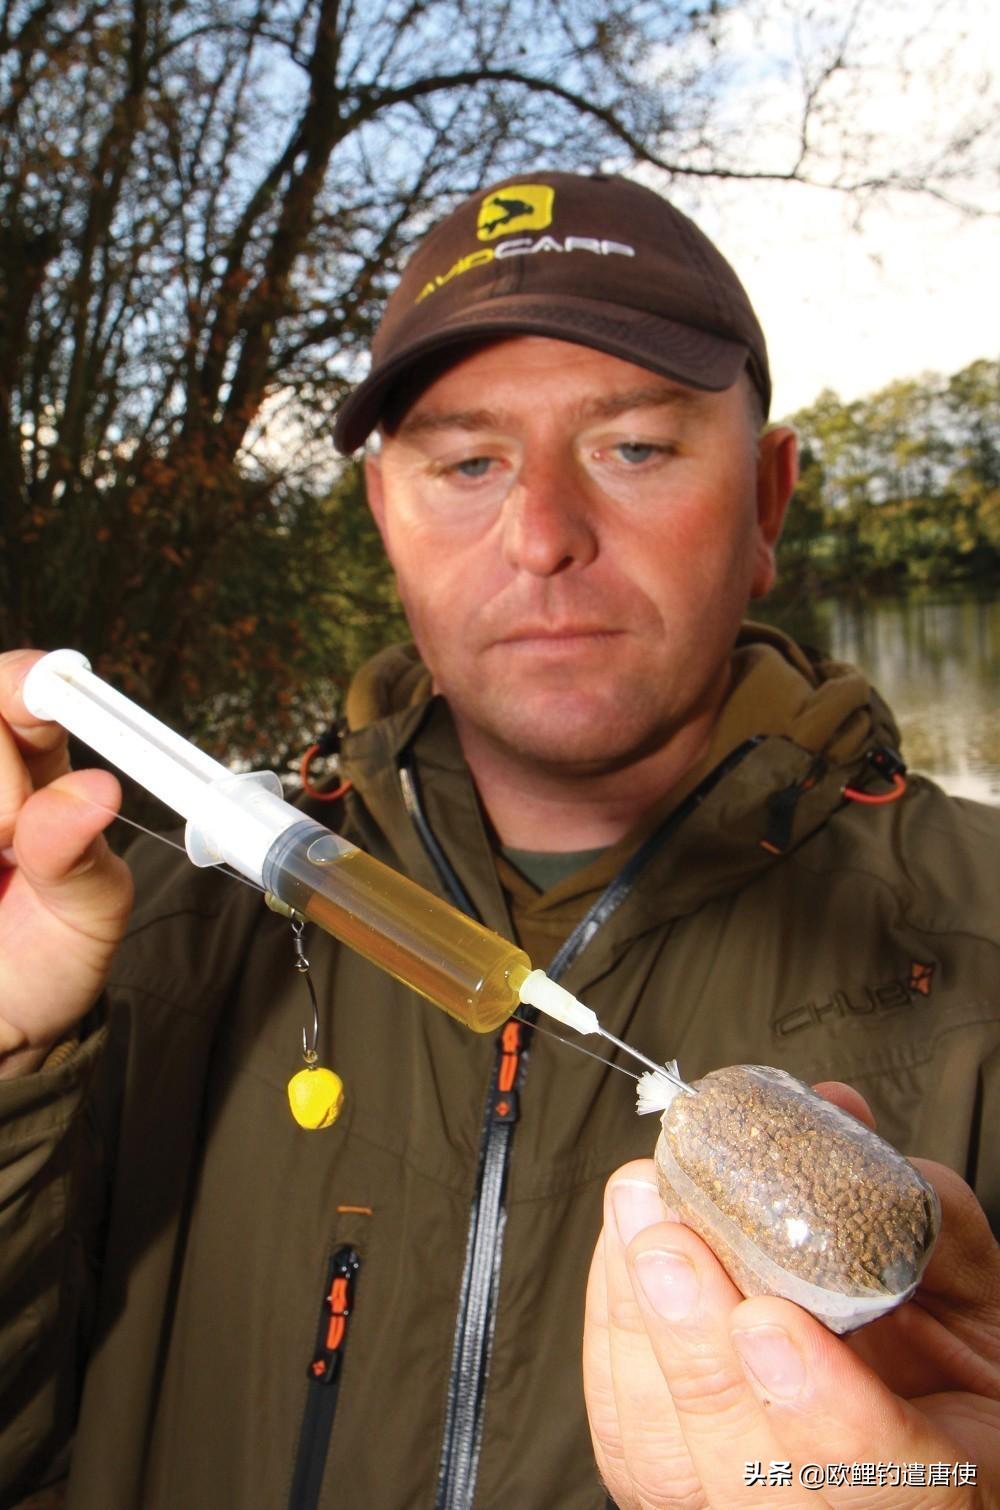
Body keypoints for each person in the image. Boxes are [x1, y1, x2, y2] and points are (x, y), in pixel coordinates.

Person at [0, 171, 997, 1509]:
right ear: (385, 524)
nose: (540, 537)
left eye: (634, 446)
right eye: (468, 462)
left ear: (768, 499)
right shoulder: (123, 939)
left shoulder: (980, 942)